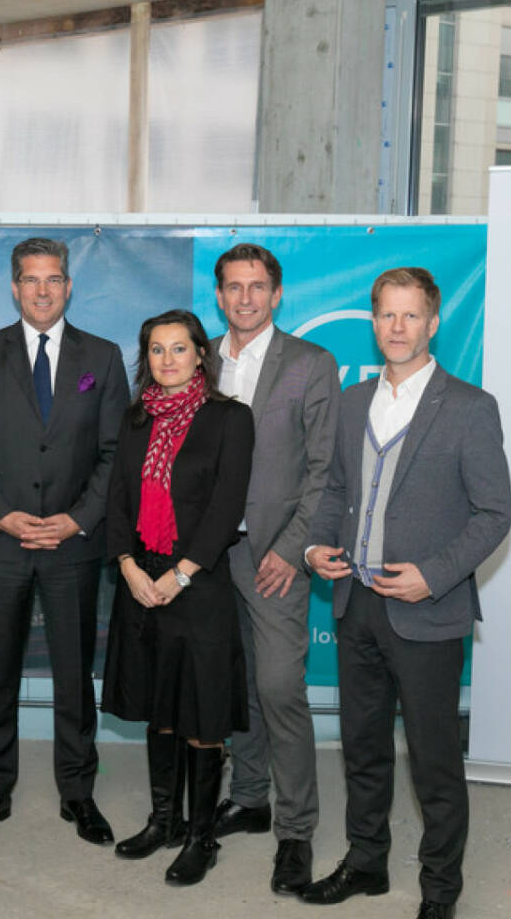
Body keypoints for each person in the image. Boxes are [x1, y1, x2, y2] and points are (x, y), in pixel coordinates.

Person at [302, 267, 511, 919]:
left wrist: (436, 573)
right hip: (357, 604)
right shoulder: (351, 403)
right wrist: (313, 546)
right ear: (374, 322)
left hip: (428, 611)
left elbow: (494, 514)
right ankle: (366, 864)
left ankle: (439, 893)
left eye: (410, 316)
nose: (398, 328)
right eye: (387, 316)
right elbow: (335, 490)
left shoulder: (471, 407)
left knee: (433, 762)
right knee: (363, 749)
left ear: (433, 321)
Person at [0, 237, 128, 846]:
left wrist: (78, 519)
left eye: (54, 279)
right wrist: (0, 516)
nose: (43, 290)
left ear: (69, 286)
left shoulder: (102, 358)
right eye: (31, 280)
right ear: (14, 286)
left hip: (72, 546)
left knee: (74, 677)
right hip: (3, 543)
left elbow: (115, 454)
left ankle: (78, 794)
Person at [204, 243, 339, 895]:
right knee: (238, 686)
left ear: (277, 293)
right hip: (205, 558)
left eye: (257, 287)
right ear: (220, 293)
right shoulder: (197, 358)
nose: (246, 298)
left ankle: (296, 832)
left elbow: (323, 470)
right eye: (234, 287)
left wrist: (290, 548)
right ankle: (250, 798)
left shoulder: (310, 365)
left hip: (273, 555)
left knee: (281, 689)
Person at [102, 309, 254, 886]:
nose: (167, 360)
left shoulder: (229, 418)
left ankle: (200, 835)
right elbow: (118, 498)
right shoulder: (136, 418)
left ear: (200, 355)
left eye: (179, 349)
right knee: (157, 706)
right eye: (157, 350)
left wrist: (181, 574)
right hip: (141, 580)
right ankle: (163, 819)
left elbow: (227, 506)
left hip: (198, 582)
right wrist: (126, 566)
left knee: (201, 714)